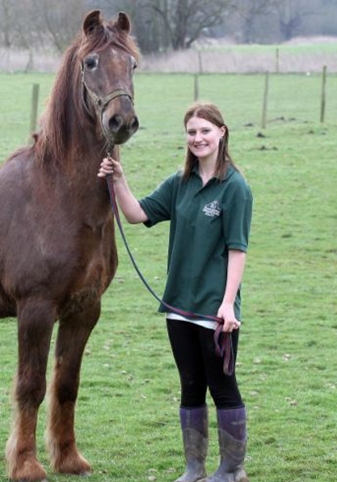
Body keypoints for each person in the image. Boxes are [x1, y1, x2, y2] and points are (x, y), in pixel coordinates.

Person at [98, 102, 252, 482]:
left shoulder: (234, 188)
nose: (197, 138)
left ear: (222, 133)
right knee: (190, 386)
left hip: (215, 311)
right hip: (178, 307)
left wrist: (228, 303)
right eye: (191, 132)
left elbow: (237, 249)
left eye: (204, 131)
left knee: (223, 387)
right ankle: (194, 468)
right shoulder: (179, 183)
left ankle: (232, 469)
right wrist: (118, 180)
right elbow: (137, 214)